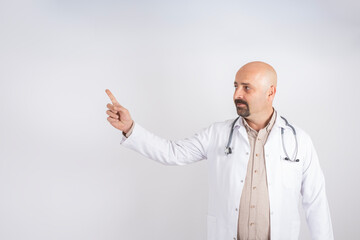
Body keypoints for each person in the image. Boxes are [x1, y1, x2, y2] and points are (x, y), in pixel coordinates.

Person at [105, 61, 334, 240]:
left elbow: (316, 202)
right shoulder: (217, 134)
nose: (237, 95)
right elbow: (172, 153)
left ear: (270, 92)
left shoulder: (299, 141)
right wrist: (130, 129)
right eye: (235, 86)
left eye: (247, 88)